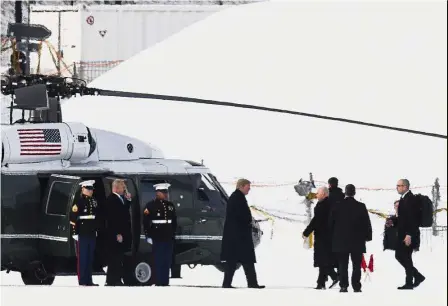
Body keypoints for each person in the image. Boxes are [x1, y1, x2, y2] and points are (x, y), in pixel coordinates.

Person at [220, 178, 265, 289]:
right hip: (238, 236)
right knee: (240, 260)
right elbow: (240, 216)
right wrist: (248, 221)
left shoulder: (238, 197)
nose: (249, 189)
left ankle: (248, 283)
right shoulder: (237, 198)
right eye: (248, 187)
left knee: (240, 260)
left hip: (238, 235)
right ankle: (248, 283)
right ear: (241, 186)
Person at [329, 184, 372, 293]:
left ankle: (343, 286)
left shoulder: (337, 206)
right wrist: (368, 237)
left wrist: (332, 237)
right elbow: (367, 223)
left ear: (345, 192)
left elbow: (331, 223)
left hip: (340, 241)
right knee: (356, 265)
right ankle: (356, 286)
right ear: (354, 193)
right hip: (357, 241)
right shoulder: (361, 206)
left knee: (342, 265)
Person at [302, 186, 338, 289]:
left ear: (324, 194)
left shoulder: (323, 205)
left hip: (323, 236)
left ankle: (325, 281)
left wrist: (306, 232)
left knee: (323, 260)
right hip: (327, 236)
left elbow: (316, 221)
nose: (316, 195)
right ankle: (325, 281)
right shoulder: (327, 204)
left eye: (318, 193)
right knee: (324, 260)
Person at [143, 183, 177, 286]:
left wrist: (173, 233)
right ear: (157, 193)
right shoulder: (151, 205)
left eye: (166, 192)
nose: (165, 194)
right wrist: (148, 235)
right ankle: (158, 281)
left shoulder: (170, 205)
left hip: (168, 236)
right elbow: (145, 221)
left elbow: (174, 221)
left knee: (167, 261)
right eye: (163, 192)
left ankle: (165, 281)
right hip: (157, 236)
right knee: (158, 260)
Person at [395, 179, 425, 290]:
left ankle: (410, 282)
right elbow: (403, 218)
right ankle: (417, 277)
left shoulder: (411, 199)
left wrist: (409, 235)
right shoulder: (404, 199)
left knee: (405, 257)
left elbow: (413, 219)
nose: (397, 187)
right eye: (397, 185)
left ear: (405, 187)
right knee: (402, 256)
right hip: (404, 233)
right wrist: (393, 221)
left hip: (408, 235)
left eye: (399, 185)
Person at [69, 180, 100, 286]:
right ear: (83, 189)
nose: (90, 191)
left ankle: (89, 280)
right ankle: (82, 280)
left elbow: (96, 217)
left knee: (90, 257)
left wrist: (96, 230)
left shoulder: (94, 201)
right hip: (82, 232)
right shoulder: (79, 202)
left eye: (91, 189)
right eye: (88, 189)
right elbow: (73, 218)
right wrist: (75, 232)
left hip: (91, 232)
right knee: (83, 258)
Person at [103, 179, 132, 286]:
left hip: (121, 233)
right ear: (116, 188)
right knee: (114, 258)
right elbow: (112, 219)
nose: (124, 189)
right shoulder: (111, 200)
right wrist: (117, 233)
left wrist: (128, 201)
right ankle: (112, 280)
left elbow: (123, 212)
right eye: (122, 187)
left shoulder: (120, 199)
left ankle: (116, 279)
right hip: (115, 234)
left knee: (119, 257)